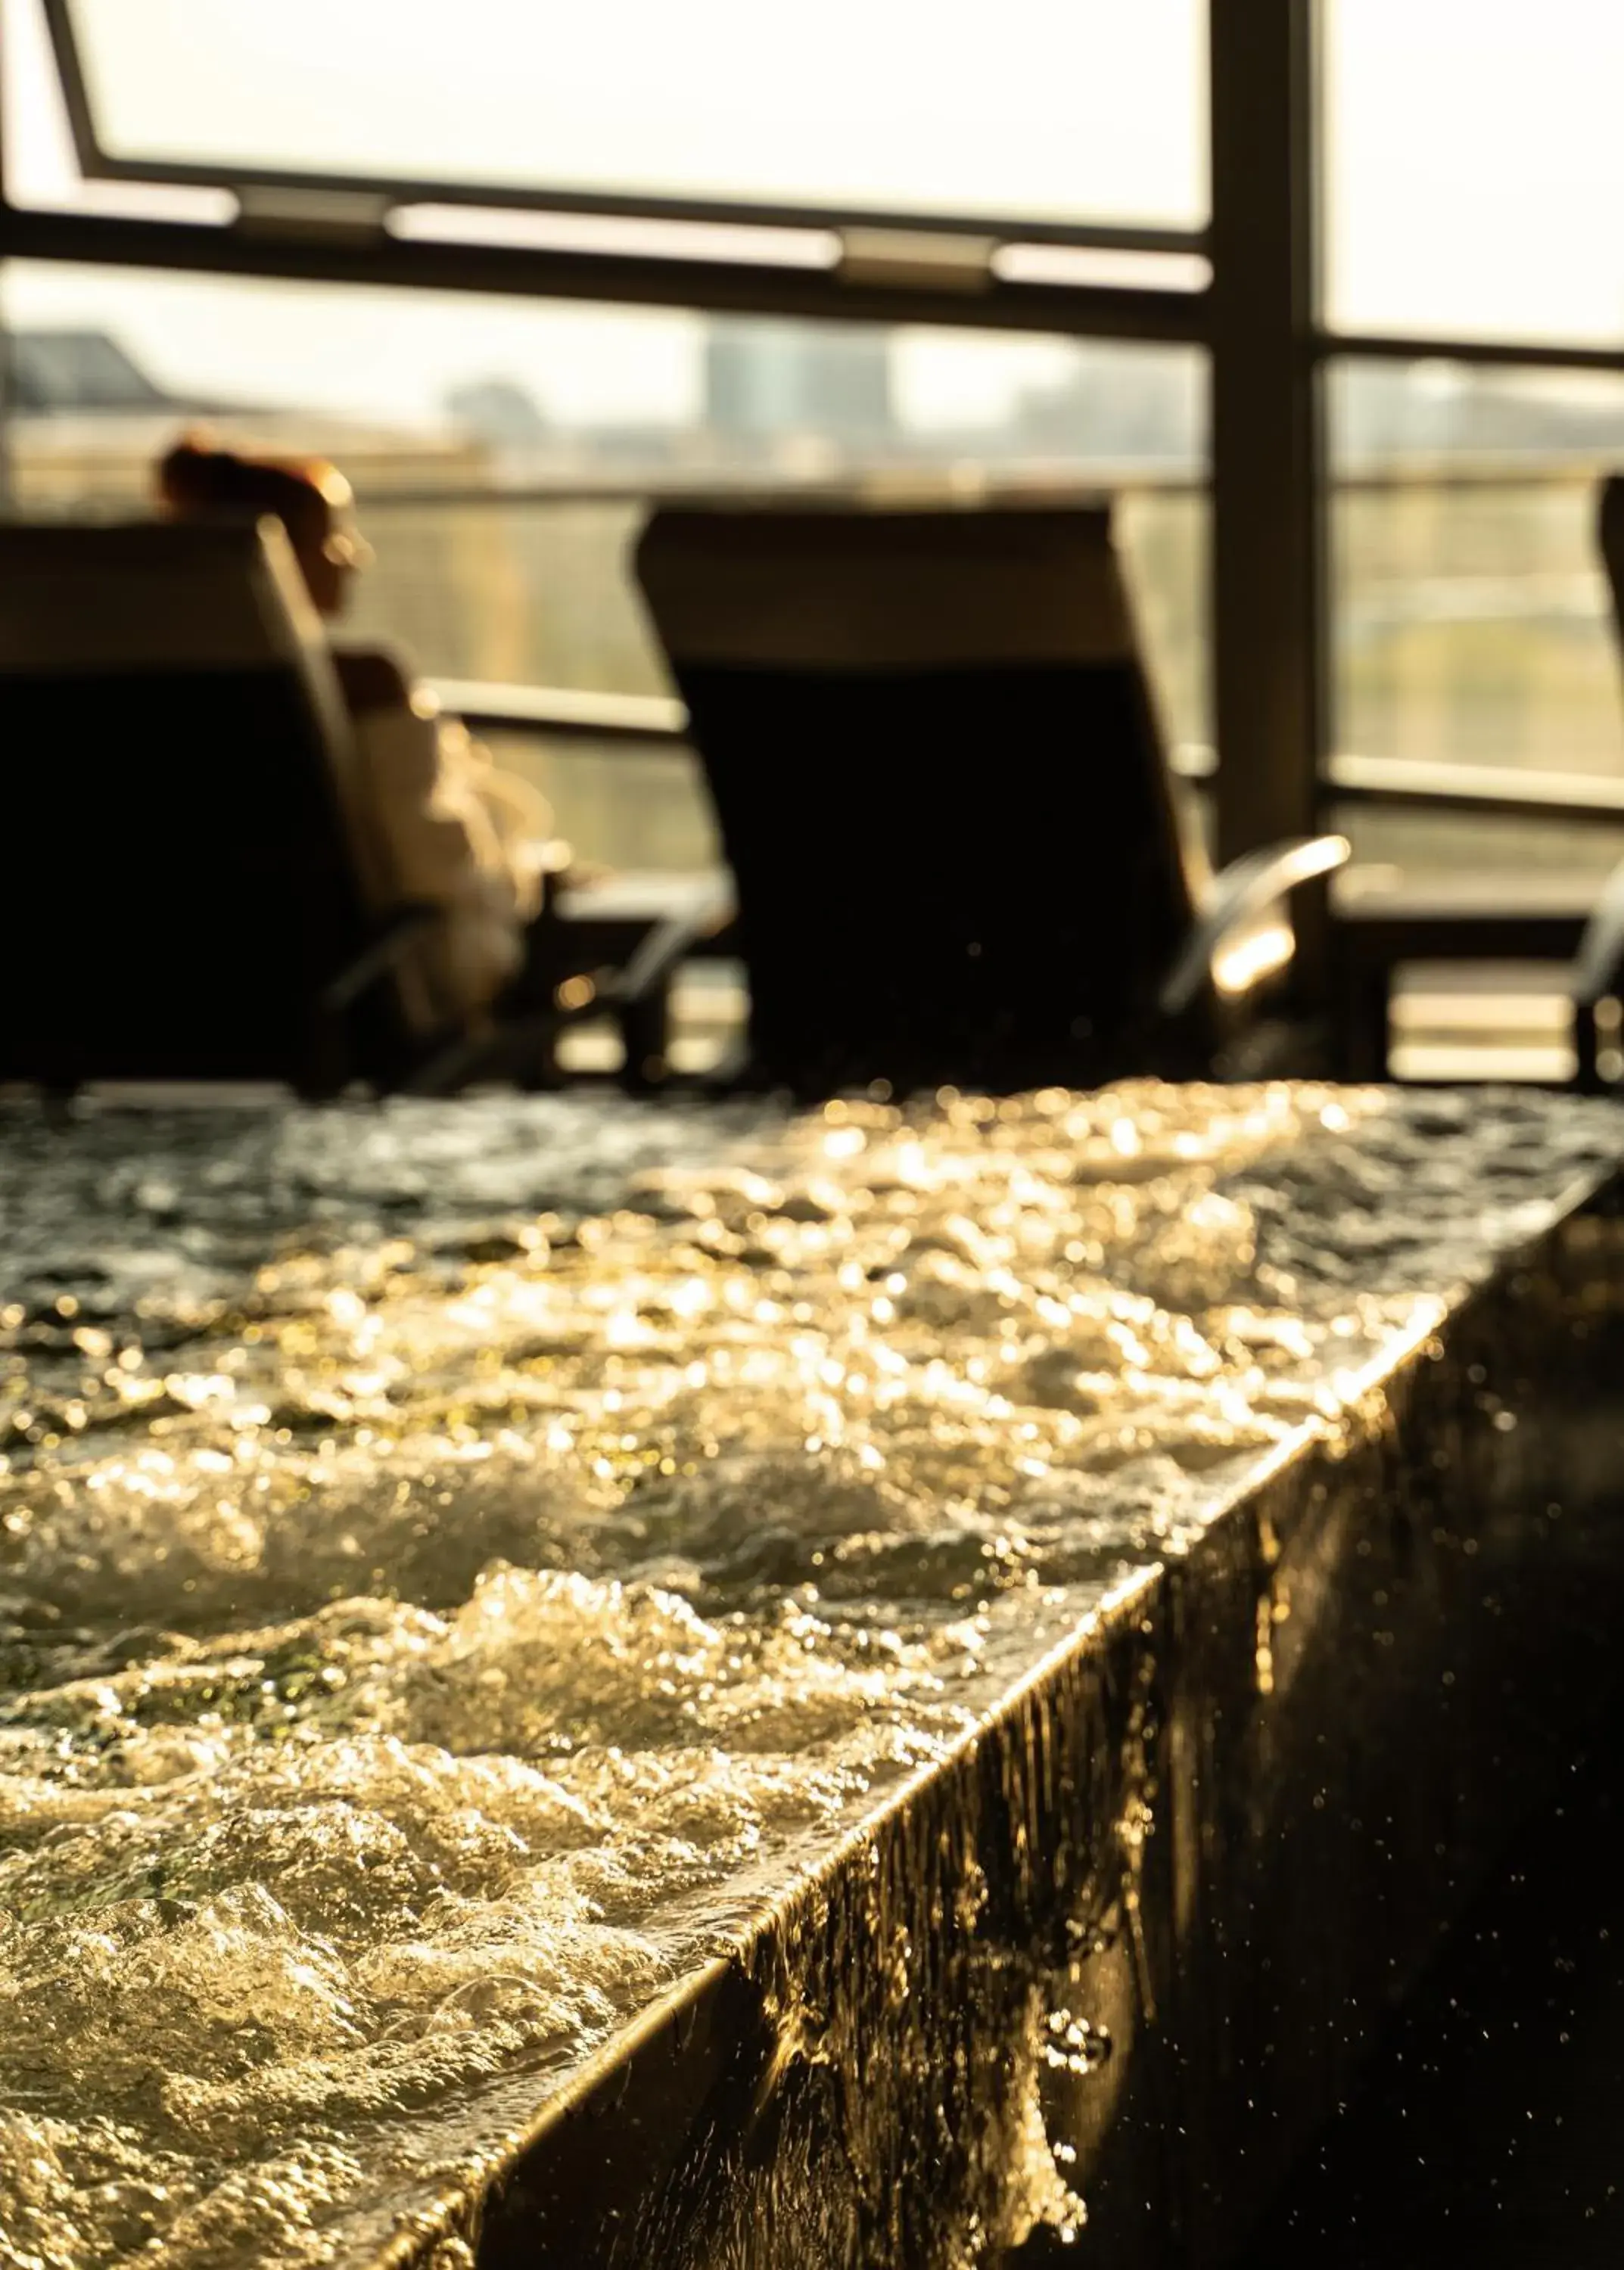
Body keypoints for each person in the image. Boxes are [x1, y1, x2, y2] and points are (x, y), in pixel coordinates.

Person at [156, 434, 556, 1033]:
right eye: (334, 538)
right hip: (354, 1006)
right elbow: (431, 871)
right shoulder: (368, 684)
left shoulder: (136, 695)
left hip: (179, 1007)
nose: (355, 556)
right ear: (281, 558)